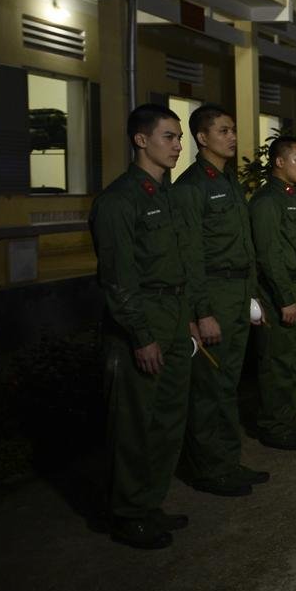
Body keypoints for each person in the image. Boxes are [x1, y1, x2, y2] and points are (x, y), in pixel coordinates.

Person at [90, 104, 205, 548]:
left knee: (167, 420)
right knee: (134, 423)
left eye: (179, 137)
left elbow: (182, 262)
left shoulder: (167, 196)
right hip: (143, 320)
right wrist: (141, 335)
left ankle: (149, 503)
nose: (178, 145)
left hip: (174, 318)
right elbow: (118, 278)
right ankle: (128, 514)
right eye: (169, 137)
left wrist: (190, 316)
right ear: (141, 140)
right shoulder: (120, 200)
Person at [175, 105, 268, 498]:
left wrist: (252, 297)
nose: (232, 136)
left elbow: (242, 245)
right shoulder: (191, 187)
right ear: (202, 137)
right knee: (209, 389)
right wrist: (202, 311)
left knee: (227, 384)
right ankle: (209, 469)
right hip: (212, 295)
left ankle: (227, 461)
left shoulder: (228, 181)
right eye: (224, 130)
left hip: (235, 293)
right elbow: (190, 255)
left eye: (233, 129)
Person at [249, 136, 296, 451]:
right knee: (277, 362)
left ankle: (288, 419)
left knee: (294, 360)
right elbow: (269, 255)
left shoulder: (293, 197)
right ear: (280, 162)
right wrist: (286, 298)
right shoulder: (267, 201)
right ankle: (273, 426)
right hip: (284, 290)